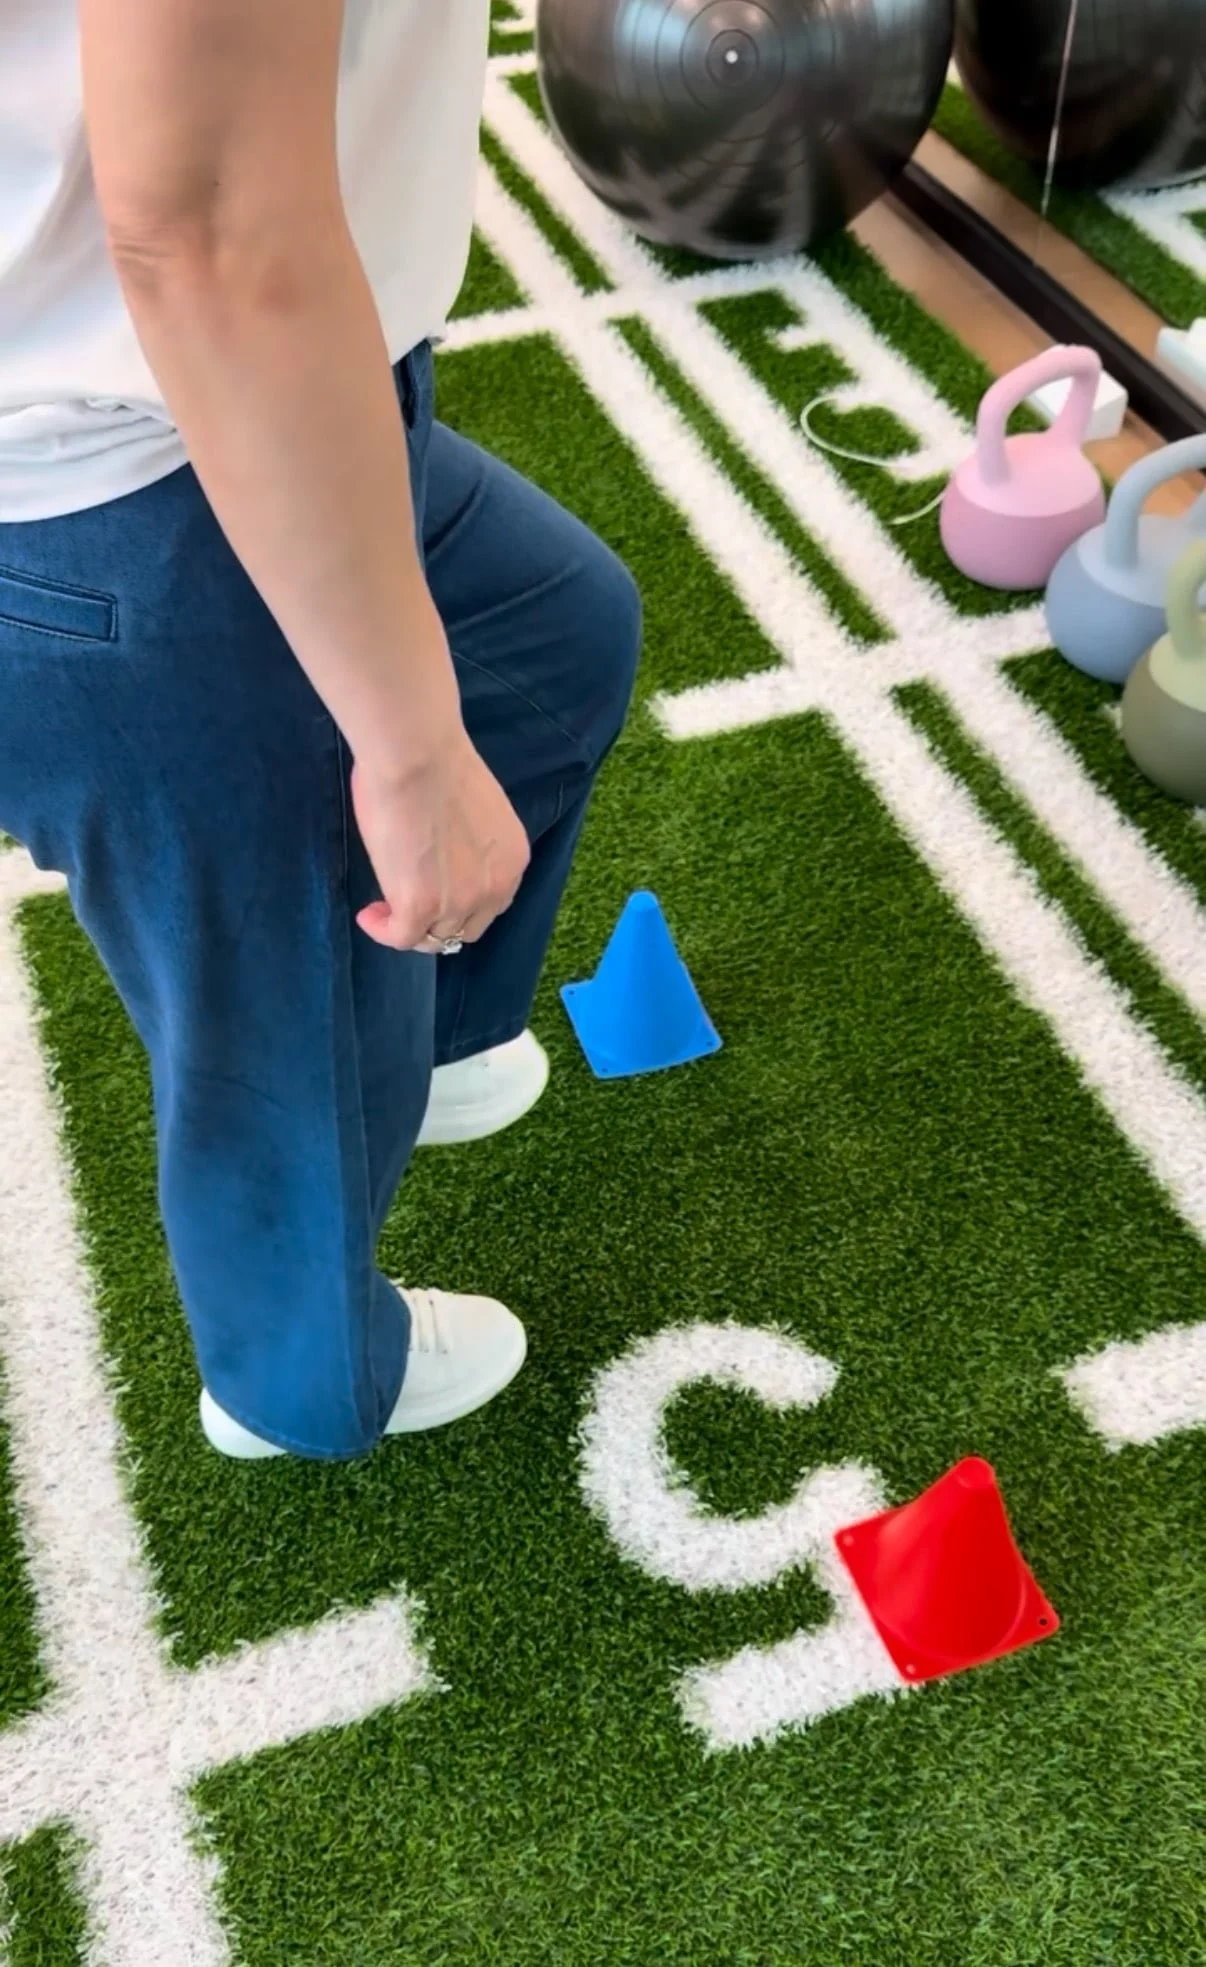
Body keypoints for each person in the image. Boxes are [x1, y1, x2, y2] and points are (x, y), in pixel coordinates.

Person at [0, 0, 641, 1461]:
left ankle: (440, 1029)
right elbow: (207, 222)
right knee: (283, 1028)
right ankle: (304, 1384)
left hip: (259, 393)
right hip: (133, 488)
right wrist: (407, 747)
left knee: (552, 632)